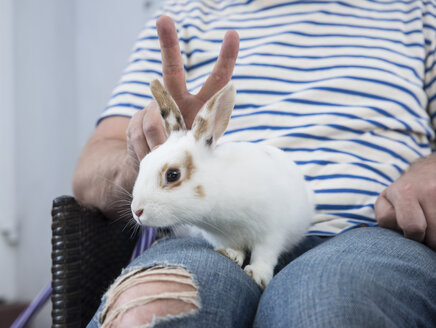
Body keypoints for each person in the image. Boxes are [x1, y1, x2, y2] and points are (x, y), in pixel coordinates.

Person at [74, 1, 436, 327]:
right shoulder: (184, 15)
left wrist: (429, 168)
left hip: (371, 231)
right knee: (150, 310)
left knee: (325, 305)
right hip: (210, 237)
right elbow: (91, 170)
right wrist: (150, 156)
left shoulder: (420, 13)